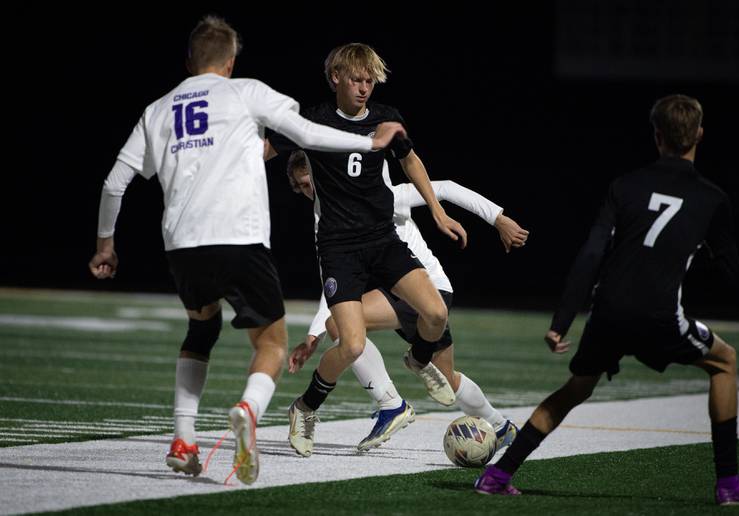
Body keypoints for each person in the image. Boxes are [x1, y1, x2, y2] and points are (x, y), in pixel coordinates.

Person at [87, 16, 406, 485]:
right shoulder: (245, 92)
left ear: (189, 61)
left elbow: (115, 182)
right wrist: (367, 139)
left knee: (201, 328)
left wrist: (105, 244)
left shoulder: (156, 110)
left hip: (181, 246)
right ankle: (247, 412)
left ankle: (183, 439)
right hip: (239, 239)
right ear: (231, 61)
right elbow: (307, 133)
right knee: (272, 343)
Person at [474, 94, 739, 505]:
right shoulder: (712, 198)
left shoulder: (625, 186)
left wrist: (561, 321)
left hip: (608, 312)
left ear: (657, 135)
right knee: (725, 362)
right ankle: (729, 484)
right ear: (699, 135)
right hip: (660, 314)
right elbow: (732, 274)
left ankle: (498, 474)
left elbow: (591, 254)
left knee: (575, 389)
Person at [265, 43, 468, 456]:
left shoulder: (386, 118)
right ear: (335, 78)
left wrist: (438, 211)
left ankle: (419, 358)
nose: (364, 87)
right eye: (356, 79)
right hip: (340, 248)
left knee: (435, 312)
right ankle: (304, 408)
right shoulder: (313, 121)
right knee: (352, 345)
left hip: (382, 242)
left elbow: (411, 161)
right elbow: (267, 148)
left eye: (369, 80)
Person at [284, 150, 529, 453]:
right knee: (447, 378)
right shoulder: (326, 216)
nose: (314, 189)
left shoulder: (376, 197)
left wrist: (497, 217)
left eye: (315, 180)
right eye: (305, 186)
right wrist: (312, 335)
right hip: (413, 296)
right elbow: (334, 284)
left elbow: (446, 188)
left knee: (341, 325)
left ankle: (389, 405)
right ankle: (502, 427)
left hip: (426, 290)